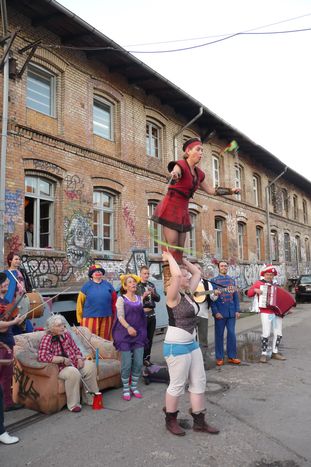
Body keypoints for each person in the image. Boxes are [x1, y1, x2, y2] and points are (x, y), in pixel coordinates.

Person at [151, 138, 240, 288]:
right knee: (171, 244)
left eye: (202, 150)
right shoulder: (181, 165)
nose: (201, 153)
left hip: (183, 209)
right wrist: (174, 175)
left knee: (180, 246)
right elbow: (176, 171)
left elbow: (211, 190)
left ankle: (180, 276)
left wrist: (231, 191)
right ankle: (168, 280)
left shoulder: (199, 174)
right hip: (171, 205)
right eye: (198, 149)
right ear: (188, 152)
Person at [162, 251, 219, 436]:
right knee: (177, 385)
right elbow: (177, 275)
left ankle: (199, 421)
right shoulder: (173, 295)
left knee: (199, 382)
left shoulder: (188, 293)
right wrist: (170, 256)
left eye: (185, 274)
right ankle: (170, 419)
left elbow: (197, 274)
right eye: (183, 274)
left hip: (191, 344)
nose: (186, 275)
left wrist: (183, 259)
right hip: (176, 345)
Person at [38, 314, 99, 412]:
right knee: (73, 372)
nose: (62, 327)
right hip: (61, 368)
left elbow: (76, 349)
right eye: (59, 326)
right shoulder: (47, 338)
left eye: (63, 325)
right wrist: (61, 359)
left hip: (75, 362)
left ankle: (91, 399)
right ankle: (73, 405)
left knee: (90, 366)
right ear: (51, 328)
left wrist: (79, 358)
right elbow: (42, 356)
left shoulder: (66, 335)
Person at [112, 274, 147, 401]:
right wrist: (128, 327)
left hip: (139, 334)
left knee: (138, 363)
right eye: (130, 282)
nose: (133, 284)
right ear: (125, 286)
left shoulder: (139, 298)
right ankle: (126, 388)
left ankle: (134, 386)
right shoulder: (121, 299)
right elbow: (120, 316)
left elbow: (140, 314)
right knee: (126, 364)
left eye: (134, 282)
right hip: (124, 334)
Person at [247, 265, 286, 363]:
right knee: (266, 332)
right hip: (266, 311)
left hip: (277, 312)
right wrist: (255, 290)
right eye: (268, 274)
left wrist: (286, 308)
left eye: (272, 275)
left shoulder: (276, 284)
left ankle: (275, 352)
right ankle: (263, 353)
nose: (270, 276)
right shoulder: (259, 283)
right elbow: (248, 293)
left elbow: (282, 298)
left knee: (278, 332)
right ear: (264, 274)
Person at [0, 272, 26, 412]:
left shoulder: (5, 302)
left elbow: (7, 323)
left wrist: (17, 321)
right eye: (5, 283)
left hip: (7, 340)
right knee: (3, 375)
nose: (8, 284)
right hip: (2, 343)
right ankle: (6, 404)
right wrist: (13, 321)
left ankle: (7, 403)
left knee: (7, 375)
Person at [210, 260, 241, 366]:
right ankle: (219, 357)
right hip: (220, 312)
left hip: (231, 311)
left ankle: (232, 356)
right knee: (219, 335)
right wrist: (215, 312)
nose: (224, 267)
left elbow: (236, 297)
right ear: (218, 268)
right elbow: (212, 299)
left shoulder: (232, 280)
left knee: (232, 334)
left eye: (226, 266)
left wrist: (237, 310)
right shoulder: (213, 281)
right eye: (222, 266)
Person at [76, 265, 117, 340]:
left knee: (105, 340)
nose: (98, 272)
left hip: (107, 317)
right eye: (96, 271)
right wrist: (79, 318)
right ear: (91, 274)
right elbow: (80, 303)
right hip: (90, 317)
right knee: (91, 339)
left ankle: (103, 352)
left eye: (100, 271)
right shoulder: (86, 286)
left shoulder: (108, 285)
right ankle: (92, 352)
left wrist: (114, 314)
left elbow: (114, 300)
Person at [193, 264, 219, 369]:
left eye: (199, 268)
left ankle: (202, 361)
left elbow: (212, 298)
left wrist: (216, 294)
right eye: (195, 269)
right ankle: (192, 362)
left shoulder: (207, 283)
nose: (198, 270)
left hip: (203, 314)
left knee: (203, 340)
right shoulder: (189, 282)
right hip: (191, 315)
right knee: (191, 339)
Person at [136, 265, 160, 366]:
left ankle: (147, 359)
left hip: (152, 314)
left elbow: (158, 299)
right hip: (142, 315)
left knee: (150, 339)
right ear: (140, 274)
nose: (146, 275)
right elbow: (135, 302)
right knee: (142, 338)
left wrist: (153, 293)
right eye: (144, 273)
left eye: (148, 273)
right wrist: (143, 296)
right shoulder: (137, 286)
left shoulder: (151, 284)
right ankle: (138, 359)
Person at [4, 252, 33, 334]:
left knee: (24, 322)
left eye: (19, 259)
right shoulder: (5, 273)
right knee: (14, 323)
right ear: (10, 261)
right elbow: (6, 289)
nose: (18, 261)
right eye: (16, 259)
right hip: (12, 301)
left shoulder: (21, 272)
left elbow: (26, 285)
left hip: (21, 300)